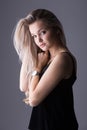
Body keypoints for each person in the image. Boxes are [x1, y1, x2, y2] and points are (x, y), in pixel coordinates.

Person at [13, 9, 78, 130]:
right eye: (34, 36)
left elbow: (33, 100)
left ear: (56, 29)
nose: (39, 40)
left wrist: (37, 68)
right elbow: (23, 86)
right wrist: (29, 46)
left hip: (57, 125)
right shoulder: (45, 57)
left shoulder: (62, 59)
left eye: (43, 32)